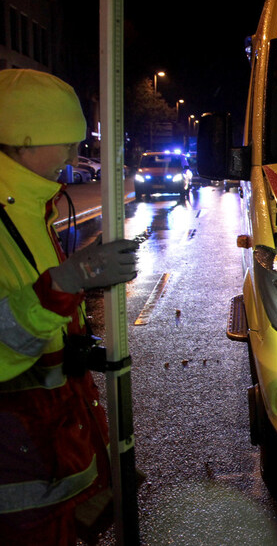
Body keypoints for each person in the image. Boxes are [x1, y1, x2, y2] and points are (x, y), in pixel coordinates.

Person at [0, 69, 139, 544]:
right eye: (63, 141)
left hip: (44, 450)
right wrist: (68, 282)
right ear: (23, 137)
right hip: (18, 465)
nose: (72, 155)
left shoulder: (32, 205)